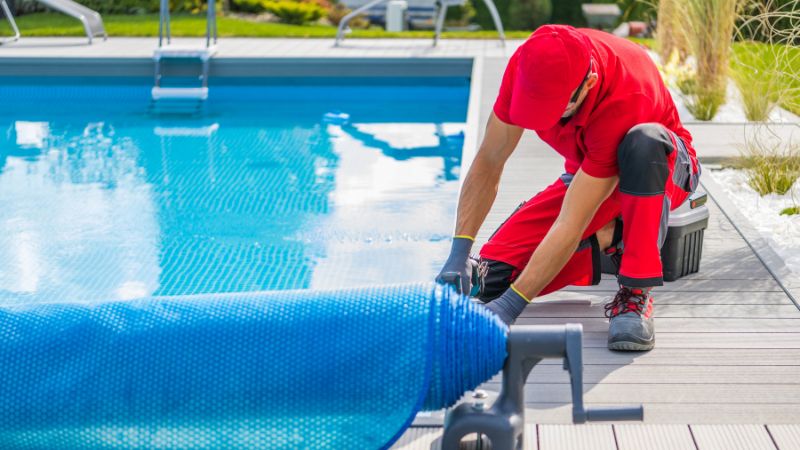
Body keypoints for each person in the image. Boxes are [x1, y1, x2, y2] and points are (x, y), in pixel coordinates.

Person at [436, 24, 701, 351]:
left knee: (642, 143)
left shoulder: (626, 94)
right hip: (587, 173)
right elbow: (490, 160)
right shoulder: (527, 67)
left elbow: (571, 221)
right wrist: (459, 252)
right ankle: (613, 238)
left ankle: (635, 292)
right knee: (492, 278)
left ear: (587, 85)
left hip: (663, 168)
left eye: (552, 111)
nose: (543, 123)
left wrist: (510, 308)